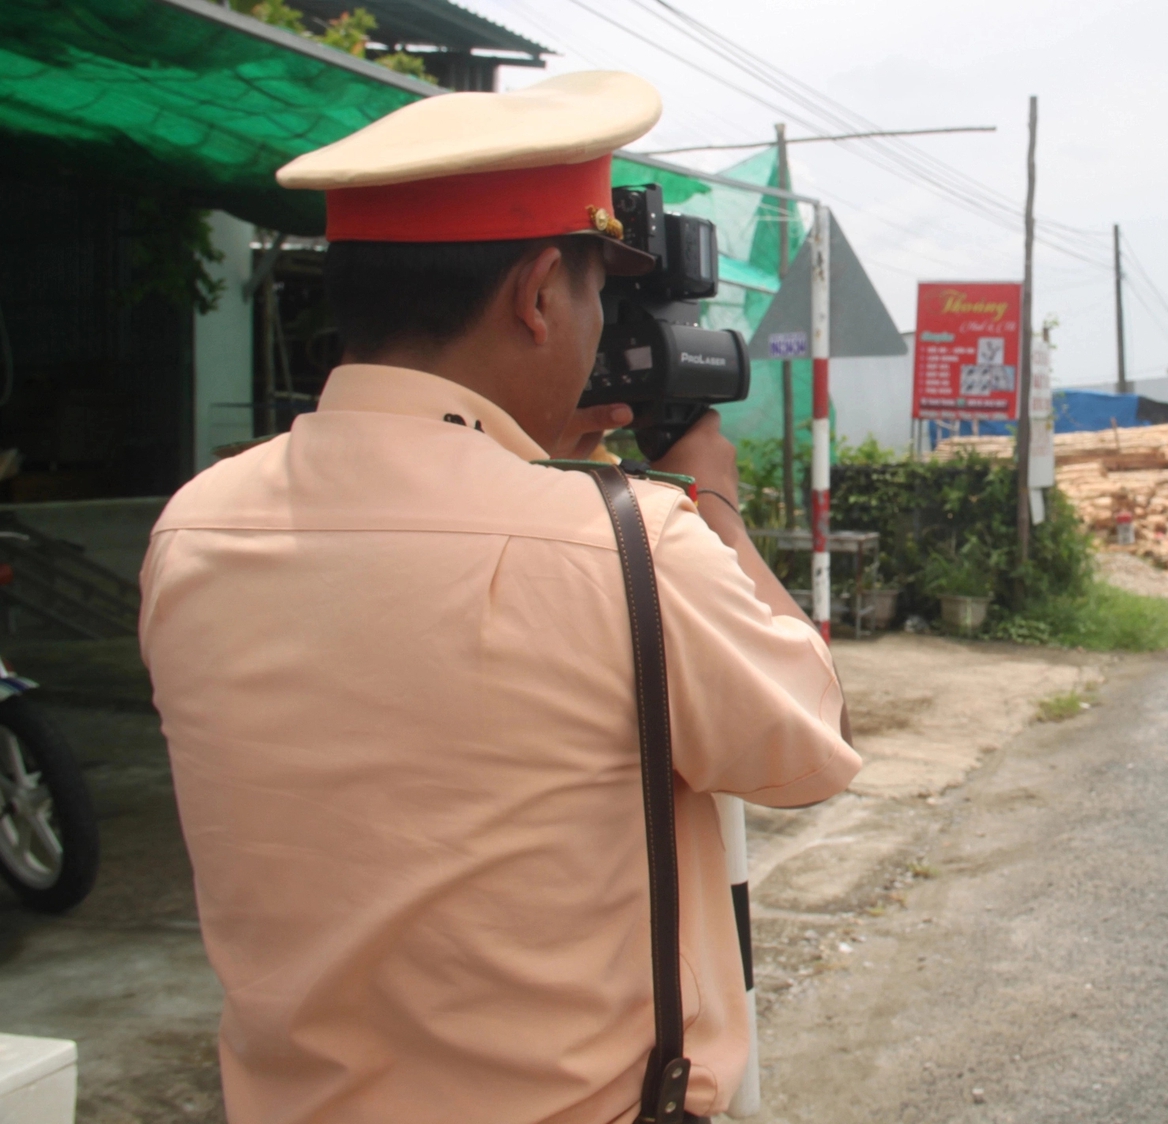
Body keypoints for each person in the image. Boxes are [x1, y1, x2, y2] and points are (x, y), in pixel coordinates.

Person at [139, 72, 862, 1123]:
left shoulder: (194, 526)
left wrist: (522, 460)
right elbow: (808, 747)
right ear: (535, 296)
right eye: (593, 294)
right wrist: (710, 502)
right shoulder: (627, 547)